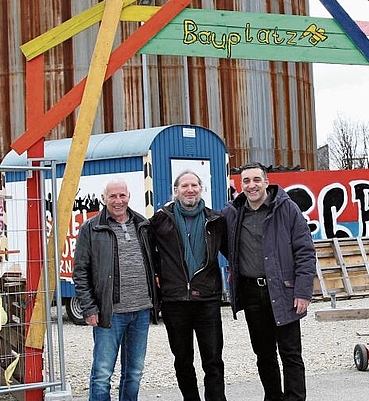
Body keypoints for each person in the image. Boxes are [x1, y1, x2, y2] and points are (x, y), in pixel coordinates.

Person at [222, 162, 316, 401]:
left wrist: (303, 292)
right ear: (239, 184)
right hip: (252, 293)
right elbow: (223, 244)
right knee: (264, 354)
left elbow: (305, 251)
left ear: (266, 182)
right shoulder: (232, 213)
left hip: (284, 292)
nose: (251, 185)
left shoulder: (287, 209)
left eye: (256, 180)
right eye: (246, 181)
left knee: (291, 354)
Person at [72, 179, 159, 401]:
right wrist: (89, 308)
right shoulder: (91, 228)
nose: (118, 201)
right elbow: (80, 272)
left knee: (134, 373)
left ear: (129, 196)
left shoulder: (143, 225)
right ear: (104, 199)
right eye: (112, 196)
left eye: (122, 195)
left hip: (141, 311)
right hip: (109, 314)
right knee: (102, 374)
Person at [146, 171, 228, 401]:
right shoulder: (160, 220)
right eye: (184, 185)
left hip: (207, 300)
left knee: (213, 360)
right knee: (183, 360)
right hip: (175, 301)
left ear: (201, 189)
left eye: (194, 185)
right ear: (176, 190)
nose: (190, 189)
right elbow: (147, 255)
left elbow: (233, 253)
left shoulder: (216, 220)